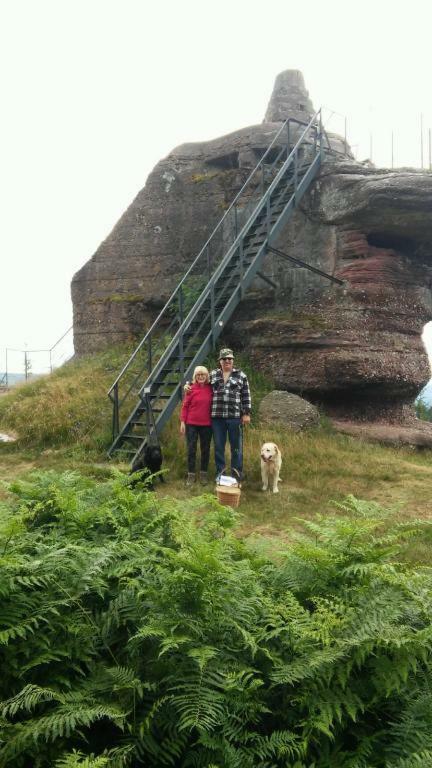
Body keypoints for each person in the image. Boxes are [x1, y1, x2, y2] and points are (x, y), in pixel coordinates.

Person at [210, 348, 251, 480]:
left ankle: (236, 474)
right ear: (220, 361)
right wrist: (188, 386)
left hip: (235, 418)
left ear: (233, 360)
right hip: (217, 418)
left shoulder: (241, 375)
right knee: (218, 447)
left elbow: (246, 396)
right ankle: (220, 474)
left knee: (236, 448)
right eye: (224, 359)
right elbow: (198, 382)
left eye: (230, 359)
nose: (227, 361)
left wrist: (246, 413)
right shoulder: (212, 375)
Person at [180, 365, 213, 486]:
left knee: (205, 450)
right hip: (191, 424)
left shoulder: (211, 388)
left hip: (207, 425)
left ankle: (203, 475)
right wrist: (182, 422)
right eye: (198, 375)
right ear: (195, 376)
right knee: (191, 449)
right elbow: (185, 406)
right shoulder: (190, 389)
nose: (201, 377)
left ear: (207, 376)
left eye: (203, 374)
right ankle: (191, 475)